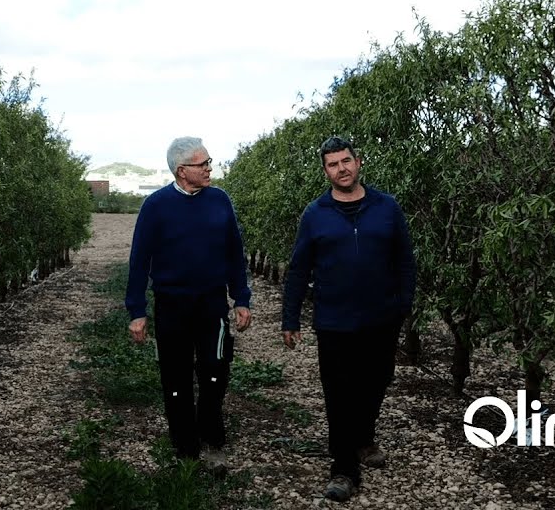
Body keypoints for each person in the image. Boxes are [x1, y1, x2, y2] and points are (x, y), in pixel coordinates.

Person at [281, 136, 416, 503]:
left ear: (358, 163)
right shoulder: (315, 214)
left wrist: (403, 305)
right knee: (339, 393)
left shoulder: (386, 207)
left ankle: (362, 438)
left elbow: (405, 260)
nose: (341, 169)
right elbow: (298, 269)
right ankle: (343, 469)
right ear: (325, 171)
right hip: (334, 320)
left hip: (380, 318)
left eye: (346, 161)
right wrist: (289, 317)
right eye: (332, 164)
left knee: (376, 383)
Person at [126, 136, 252, 472]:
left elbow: (234, 253)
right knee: (176, 376)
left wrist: (242, 298)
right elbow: (139, 260)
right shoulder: (155, 206)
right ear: (182, 171)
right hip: (172, 305)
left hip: (212, 303)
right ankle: (185, 447)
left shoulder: (220, 201)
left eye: (209, 162)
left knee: (216, 369)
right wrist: (137, 310)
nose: (210, 168)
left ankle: (211, 435)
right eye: (203, 164)